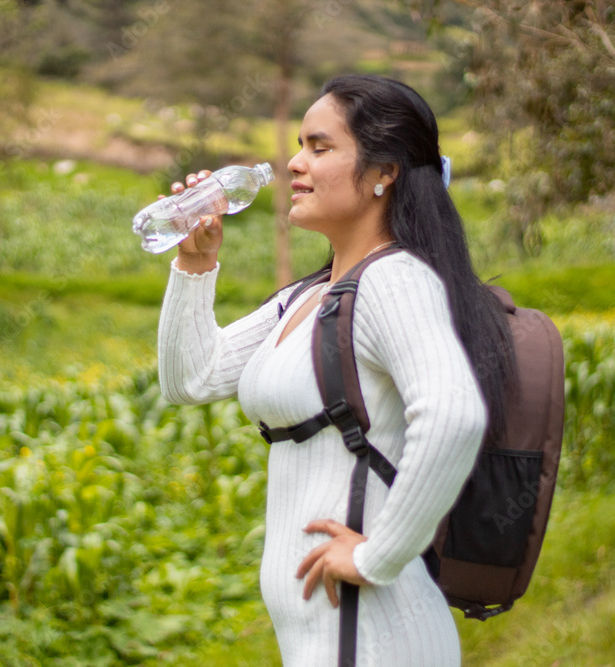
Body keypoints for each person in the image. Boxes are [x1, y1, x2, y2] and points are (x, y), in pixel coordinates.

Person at [156, 74, 514, 666]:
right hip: (331, 641)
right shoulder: (312, 296)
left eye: (320, 148)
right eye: (300, 145)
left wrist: (379, 555)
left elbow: (454, 415)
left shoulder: (394, 281)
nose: (295, 163)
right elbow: (190, 379)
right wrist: (196, 262)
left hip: (375, 640)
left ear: (383, 172)